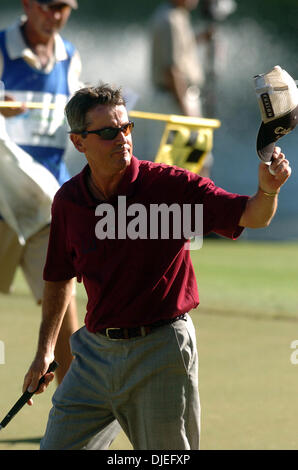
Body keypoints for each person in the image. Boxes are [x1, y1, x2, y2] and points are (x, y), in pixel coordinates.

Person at [22, 84, 291, 450]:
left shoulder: (171, 187)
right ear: (78, 142)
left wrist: (269, 191)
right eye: (107, 132)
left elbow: (251, 215)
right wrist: (45, 352)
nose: (121, 139)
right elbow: (57, 276)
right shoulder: (69, 201)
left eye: (125, 128)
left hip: (161, 352)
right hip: (95, 356)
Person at [0, 0, 81, 384]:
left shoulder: (70, 57)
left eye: (64, 7)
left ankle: (76, 415)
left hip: (47, 203)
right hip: (0, 202)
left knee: (63, 308)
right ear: (28, 4)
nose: (56, 15)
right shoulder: (1, 48)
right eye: (49, 6)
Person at [149, 0, 214, 176]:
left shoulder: (176, 15)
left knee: (190, 162)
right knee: (190, 162)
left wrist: (200, 38)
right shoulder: (169, 19)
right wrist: (187, 112)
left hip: (180, 96)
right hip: (176, 97)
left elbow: (180, 49)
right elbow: (172, 70)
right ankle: (195, 203)